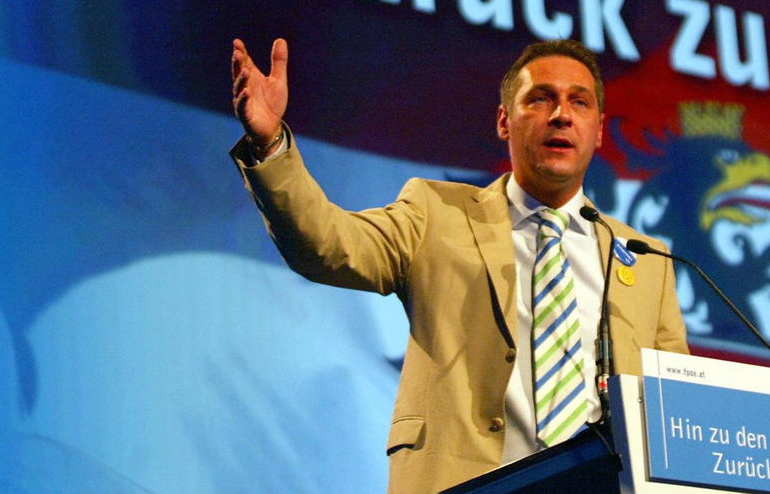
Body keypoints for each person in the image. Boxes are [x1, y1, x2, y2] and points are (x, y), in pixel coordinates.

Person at [229, 37, 688, 494]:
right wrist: (270, 145)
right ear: (505, 121)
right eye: (540, 98)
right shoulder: (436, 213)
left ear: (599, 129)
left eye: (579, 102)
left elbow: (682, 409)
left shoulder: (644, 257)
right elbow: (325, 244)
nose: (561, 115)